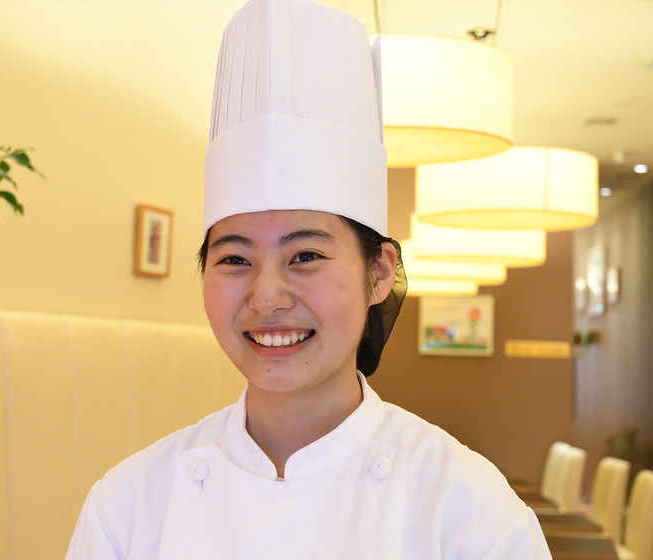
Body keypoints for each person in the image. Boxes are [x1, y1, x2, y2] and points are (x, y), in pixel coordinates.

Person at [66, 0, 552, 557]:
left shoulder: (468, 509)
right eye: (235, 260)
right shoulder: (129, 505)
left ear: (379, 272)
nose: (266, 297)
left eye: (305, 256)